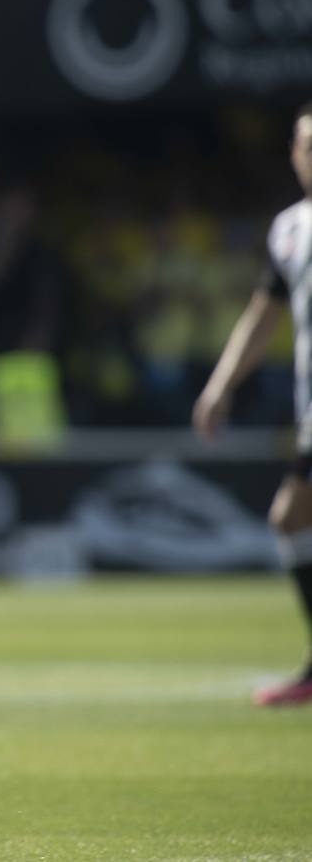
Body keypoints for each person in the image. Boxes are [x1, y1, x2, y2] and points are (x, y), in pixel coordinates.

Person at [194, 102, 312, 707]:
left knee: (291, 516)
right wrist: (221, 386)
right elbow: (263, 316)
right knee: (291, 520)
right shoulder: (290, 229)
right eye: (305, 144)